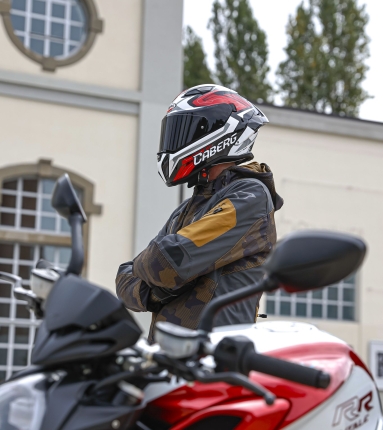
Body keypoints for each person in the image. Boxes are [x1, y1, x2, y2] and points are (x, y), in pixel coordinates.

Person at [115, 84, 283, 342]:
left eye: (185, 130)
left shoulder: (251, 196)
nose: (175, 141)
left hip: (214, 356)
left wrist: (152, 277)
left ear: (220, 134)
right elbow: (124, 276)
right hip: (170, 357)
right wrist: (154, 293)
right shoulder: (188, 208)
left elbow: (167, 261)